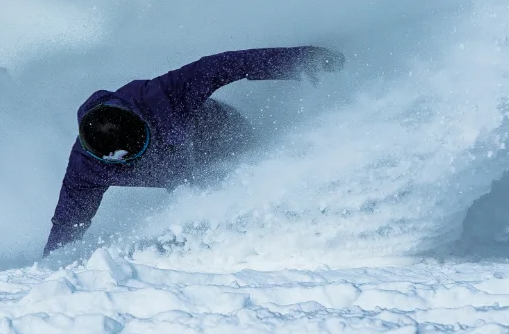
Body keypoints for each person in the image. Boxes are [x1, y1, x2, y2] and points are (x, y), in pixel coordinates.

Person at [43, 46, 345, 255]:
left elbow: (228, 65)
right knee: (211, 202)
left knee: (263, 176)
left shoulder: (163, 94)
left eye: (143, 144)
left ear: (142, 121)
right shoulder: (86, 167)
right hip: (192, 178)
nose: (145, 157)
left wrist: (302, 59)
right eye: (131, 160)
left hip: (229, 138)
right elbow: (70, 220)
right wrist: (52, 268)